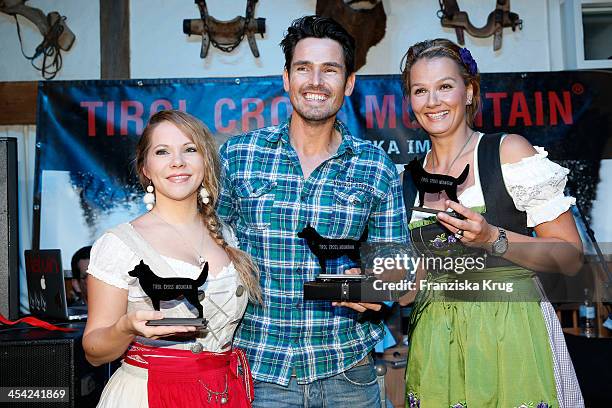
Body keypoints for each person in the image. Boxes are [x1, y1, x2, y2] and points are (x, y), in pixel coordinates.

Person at [217, 15, 408, 408]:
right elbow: (205, 243)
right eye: (304, 68)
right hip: (259, 374)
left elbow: (395, 267)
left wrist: (378, 287)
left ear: (349, 83)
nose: (316, 81)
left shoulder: (375, 167)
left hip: (348, 374)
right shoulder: (239, 156)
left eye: (330, 70)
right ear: (287, 78)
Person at [399, 39, 585, 407]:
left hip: (512, 333)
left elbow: (570, 256)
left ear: (468, 92)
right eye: (420, 90)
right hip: (438, 342)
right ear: (411, 101)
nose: (432, 101)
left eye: (445, 87)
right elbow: (410, 287)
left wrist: (491, 237)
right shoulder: (406, 179)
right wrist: (359, 286)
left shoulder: (509, 152)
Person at [83, 110, 261, 408]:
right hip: (150, 394)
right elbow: (94, 351)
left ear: (205, 162)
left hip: (224, 393)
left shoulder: (228, 236)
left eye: (190, 149)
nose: (177, 161)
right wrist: (126, 327)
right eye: (162, 151)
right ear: (146, 168)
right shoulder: (118, 244)